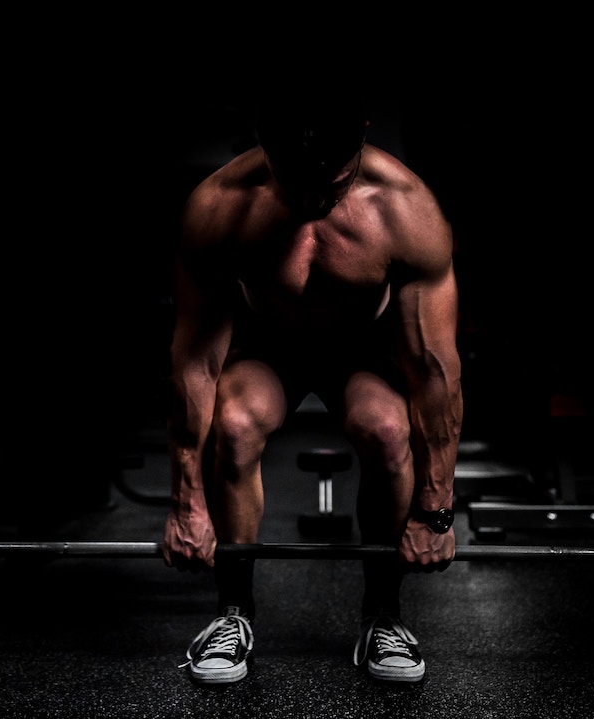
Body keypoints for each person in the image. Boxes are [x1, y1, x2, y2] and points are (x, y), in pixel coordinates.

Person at [163, 88, 462, 684]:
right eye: (292, 180)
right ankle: (232, 615)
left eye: (332, 182)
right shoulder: (219, 206)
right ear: (261, 142)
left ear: (363, 136)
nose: (310, 200)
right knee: (234, 423)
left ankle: (383, 617)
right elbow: (196, 361)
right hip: (270, 350)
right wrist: (186, 502)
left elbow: (432, 370)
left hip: (364, 354)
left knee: (386, 429)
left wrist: (435, 514)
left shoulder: (406, 210)